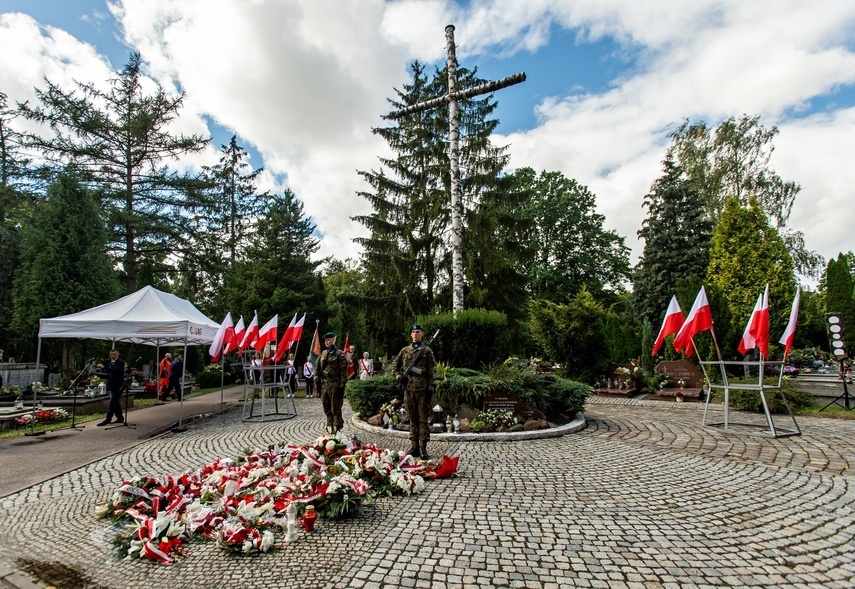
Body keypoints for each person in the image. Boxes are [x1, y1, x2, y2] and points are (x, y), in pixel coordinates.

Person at [393, 324, 436, 459]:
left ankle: (423, 447)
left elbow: (431, 371)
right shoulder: (405, 350)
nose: (415, 334)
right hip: (409, 390)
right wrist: (399, 376)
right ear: (411, 335)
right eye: (413, 332)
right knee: (412, 418)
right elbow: (395, 365)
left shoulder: (427, 351)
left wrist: (430, 387)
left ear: (422, 334)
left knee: (423, 419)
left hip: (422, 390)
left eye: (418, 332)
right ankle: (414, 446)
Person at [314, 331, 347, 434]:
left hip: (335, 385)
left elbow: (343, 371)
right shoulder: (323, 354)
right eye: (325, 340)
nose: (326, 342)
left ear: (333, 340)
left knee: (335, 408)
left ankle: (337, 428)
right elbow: (317, 368)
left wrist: (342, 386)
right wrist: (316, 378)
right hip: (324, 386)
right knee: (327, 408)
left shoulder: (339, 354)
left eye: (328, 340)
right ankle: (329, 427)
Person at [96, 349, 126, 426]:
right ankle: (120, 417)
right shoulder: (111, 363)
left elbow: (115, 371)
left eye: (114, 354)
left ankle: (108, 419)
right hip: (112, 385)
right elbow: (110, 373)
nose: (112, 356)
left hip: (119, 385)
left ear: (117, 354)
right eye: (111, 354)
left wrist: (104, 367)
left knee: (112, 402)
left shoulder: (120, 362)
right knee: (115, 402)